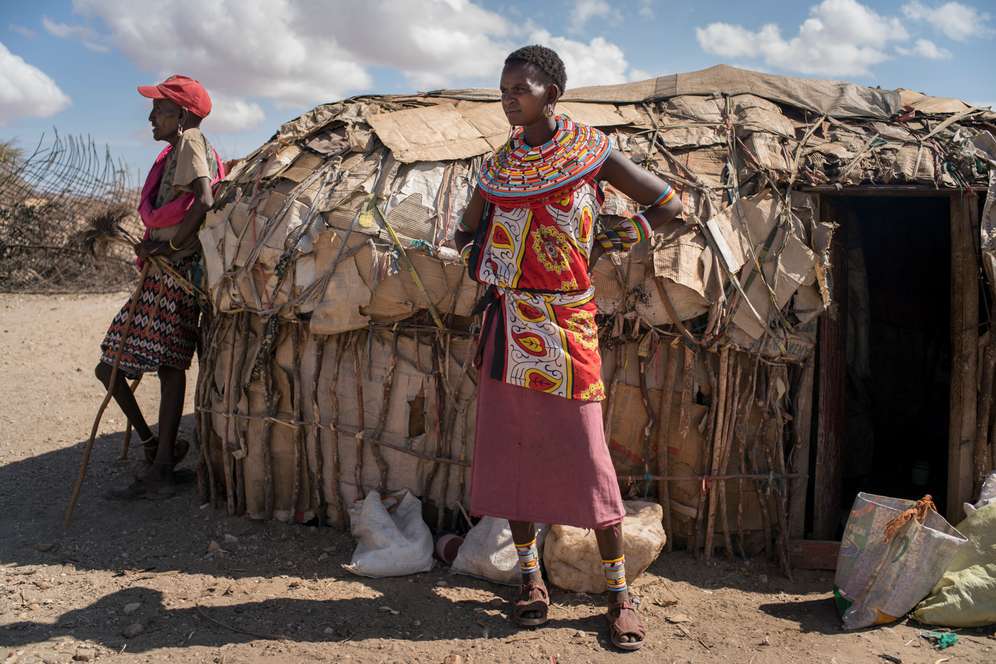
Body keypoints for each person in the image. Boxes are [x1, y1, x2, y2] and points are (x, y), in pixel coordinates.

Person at [454, 45, 682, 651]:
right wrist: (491, 249)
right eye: (503, 90)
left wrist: (609, 237)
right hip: (507, 325)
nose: (509, 99)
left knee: (589, 458)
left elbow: (669, 208)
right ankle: (530, 580)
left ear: (551, 92)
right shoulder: (497, 166)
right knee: (513, 457)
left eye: (520, 89)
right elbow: (463, 230)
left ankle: (618, 594)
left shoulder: (591, 151)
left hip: (566, 326)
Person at [97, 75, 224, 499]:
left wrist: (168, 246)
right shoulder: (180, 150)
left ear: (182, 115)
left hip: (175, 275)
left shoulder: (189, 143)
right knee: (154, 368)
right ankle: (158, 452)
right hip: (169, 273)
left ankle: (162, 466)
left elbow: (205, 202)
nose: (152, 117)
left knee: (142, 367)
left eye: (159, 110)